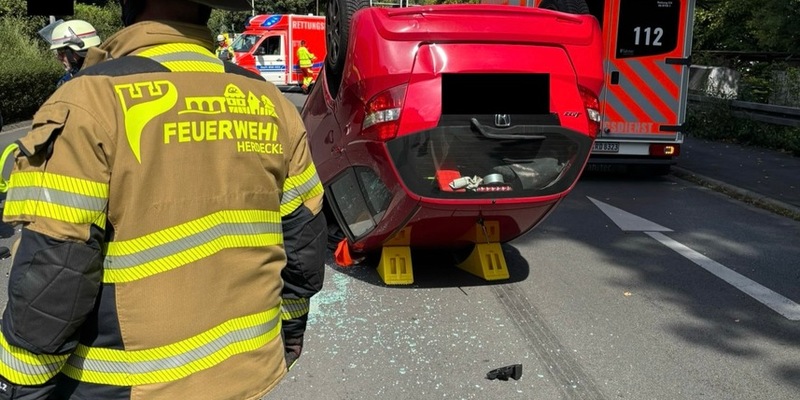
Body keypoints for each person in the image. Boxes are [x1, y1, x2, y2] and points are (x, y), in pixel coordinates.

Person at [0, 0, 326, 398]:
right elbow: (303, 241)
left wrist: (20, 386)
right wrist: (290, 332)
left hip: (127, 386)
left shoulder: (91, 101)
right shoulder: (270, 101)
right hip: (250, 374)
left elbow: (55, 271)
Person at [39, 19, 102, 87]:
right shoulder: (68, 80)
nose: (59, 57)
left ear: (80, 50)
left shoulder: (108, 76)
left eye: (61, 52)